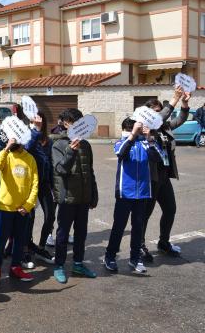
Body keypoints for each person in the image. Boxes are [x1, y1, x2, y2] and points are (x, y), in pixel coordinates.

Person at [142, 87, 190, 259]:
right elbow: (160, 117)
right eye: (155, 112)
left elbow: (181, 119)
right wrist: (174, 99)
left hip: (163, 177)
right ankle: (139, 245)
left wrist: (184, 103)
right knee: (145, 213)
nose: (158, 115)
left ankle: (164, 242)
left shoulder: (165, 127)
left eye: (159, 111)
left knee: (170, 209)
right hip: (150, 177)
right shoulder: (144, 127)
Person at [51, 108, 98, 284]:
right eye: (73, 122)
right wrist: (70, 151)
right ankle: (59, 266)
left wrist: (93, 194)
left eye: (79, 122)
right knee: (63, 234)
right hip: (66, 197)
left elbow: (90, 171)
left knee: (81, 233)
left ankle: (78, 263)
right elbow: (60, 170)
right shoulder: (59, 144)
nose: (76, 125)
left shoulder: (86, 145)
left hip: (84, 198)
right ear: (65, 123)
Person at [104, 118, 156, 274]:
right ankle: (110, 257)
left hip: (143, 193)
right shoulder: (121, 142)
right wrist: (132, 136)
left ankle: (135, 259)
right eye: (135, 128)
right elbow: (121, 153)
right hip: (125, 193)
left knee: (138, 227)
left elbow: (158, 159)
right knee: (119, 226)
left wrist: (150, 139)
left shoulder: (146, 143)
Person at [0, 137, 39, 286]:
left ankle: (15, 266)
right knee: (0, 240)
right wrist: (6, 148)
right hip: (5, 207)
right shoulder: (6, 155)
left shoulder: (30, 159)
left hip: (23, 209)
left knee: (19, 239)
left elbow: (35, 184)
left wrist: (28, 205)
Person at [24, 111, 55, 265]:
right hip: (29, 184)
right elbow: (26, 148)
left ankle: (41, 247)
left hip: (44, 184)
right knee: (29, 218)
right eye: (35, 118)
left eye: (40, 119)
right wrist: (34, 131)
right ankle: (27, 249)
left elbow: (50, 164)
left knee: (50, 216)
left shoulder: (48, 141)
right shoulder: (27, 136)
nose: (38, 121)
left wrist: (53, 186)